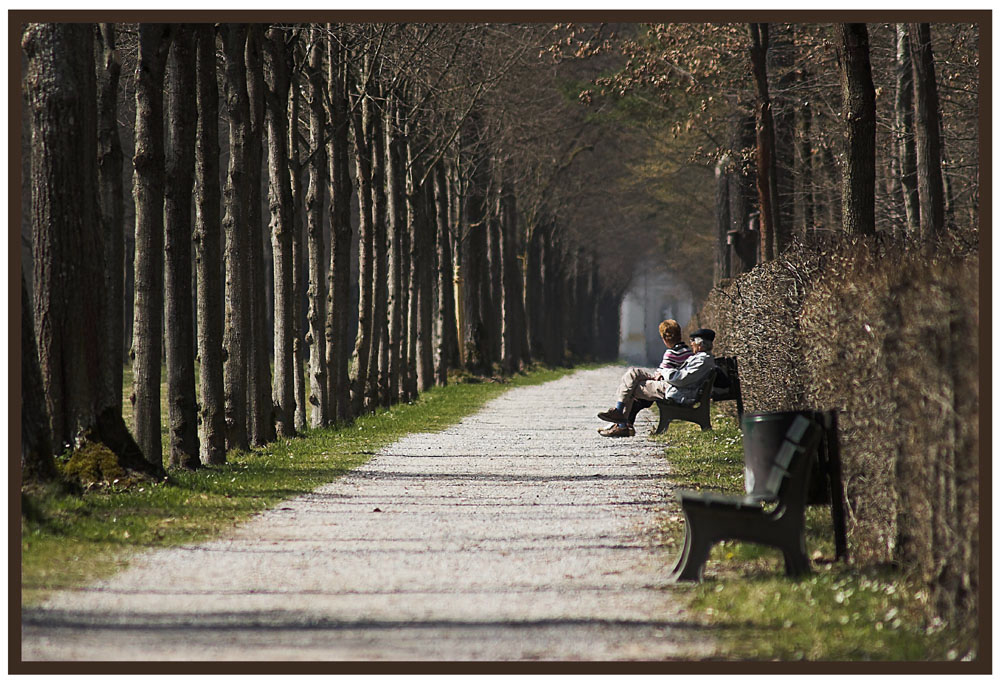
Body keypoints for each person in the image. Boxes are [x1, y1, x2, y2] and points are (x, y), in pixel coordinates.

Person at [597, 327, 717, 437]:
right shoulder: (701, 358)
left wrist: (664, 372)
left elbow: (680, 379)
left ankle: (621, 422)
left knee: (632, 386)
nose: (691, 344)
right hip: (670, 384)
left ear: (700, 344)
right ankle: (620, 417)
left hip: (673, 389)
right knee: (633, 373)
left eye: (693, 341)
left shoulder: (702, 361)